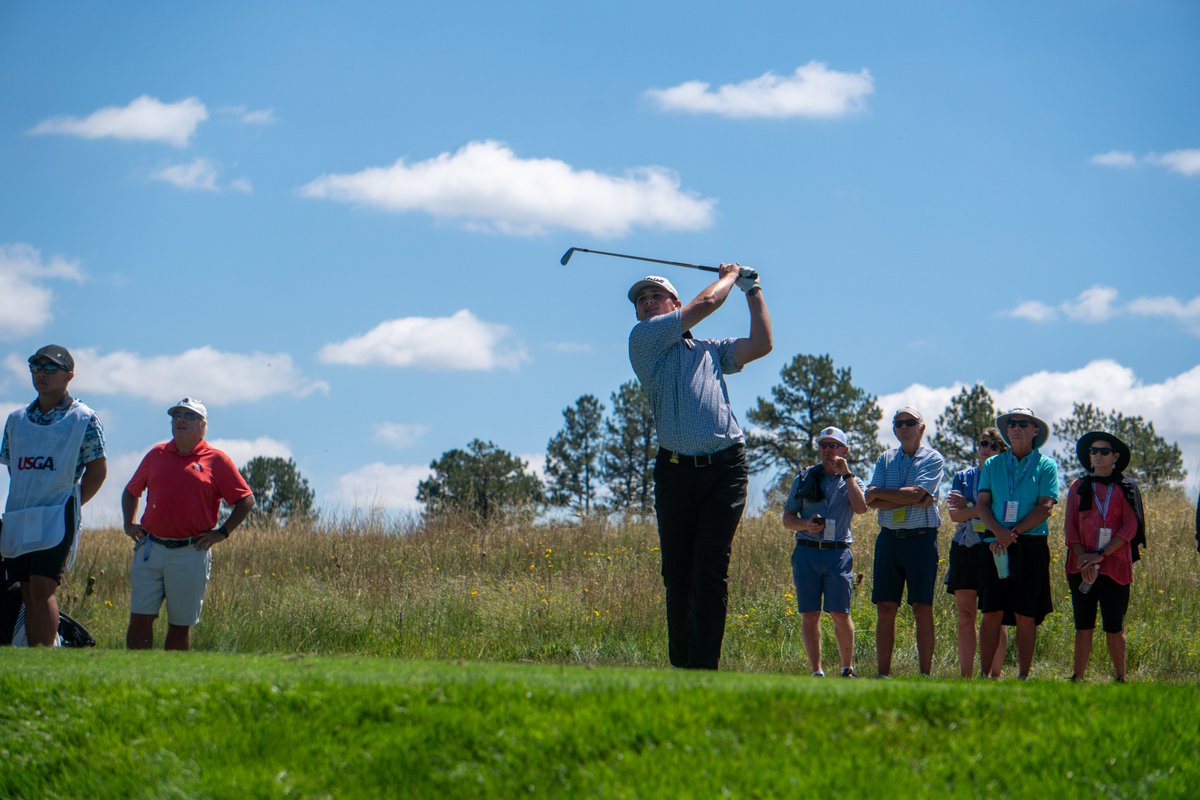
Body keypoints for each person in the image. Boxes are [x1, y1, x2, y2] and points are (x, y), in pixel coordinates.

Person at [628, 264, 772, 669]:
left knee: (710, 570)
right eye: (641, 300)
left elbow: (761, 344)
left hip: (725, 470)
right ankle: (682, 665)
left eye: (655, 296)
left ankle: (705, 668)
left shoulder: (709, 349)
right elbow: (708, 301)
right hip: (675, 472)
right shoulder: (645, 340)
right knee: (677, 572)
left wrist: (753, 289)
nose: (647, 303)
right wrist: (730, 275)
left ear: (674, 303)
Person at [122, 398, 255, 651]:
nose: (180, 420)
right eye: (176, 415)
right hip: (151, 547)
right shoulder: (157, 454)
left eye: (188, 416)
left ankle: (172, 682)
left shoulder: (216, 460)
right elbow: (131, 491)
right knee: (140, 617)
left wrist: (222, 533)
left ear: (202, 426)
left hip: (191, 551)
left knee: (180, 624)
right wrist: (129, 524)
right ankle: (136, 677)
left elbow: (245, 500)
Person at [0, 344, 107, 646]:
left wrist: (69, 504)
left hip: (57, 515)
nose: (41, 375)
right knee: (26, 589)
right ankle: (34, 653)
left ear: (69, 375)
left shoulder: (82, 418)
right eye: (36, 368)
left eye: (50, 369)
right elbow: (15, 469)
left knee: (43, 586)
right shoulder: (16, 419)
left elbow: (98, 471)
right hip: (21, 513)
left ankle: (45, 653)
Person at [976, 407, 1059, 680]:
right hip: (995, 545)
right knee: (991, 611)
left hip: (1031, 545)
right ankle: (984, 676)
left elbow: (1045, 507)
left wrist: (1013, 533)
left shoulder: (1046, 465)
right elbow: (983, 504)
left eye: (1024, 423)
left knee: (1026, 612)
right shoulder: (992, 464)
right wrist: (1000, 532)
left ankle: (1023, 676)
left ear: (1035, 430)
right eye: (1011, 423)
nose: (1016, 427)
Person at [781, 426, 868, 677]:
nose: (828, 451)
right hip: (807, 552)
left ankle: (847, 668)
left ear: (845, 450)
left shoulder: (853, 479)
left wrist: (847, 475)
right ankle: (816, 671)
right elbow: (787, 517)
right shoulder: (805, 477)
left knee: (840, 612)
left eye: (834, 446)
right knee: (809, 613)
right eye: (824, 445)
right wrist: (805, 525)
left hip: (837, 554)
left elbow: (861, 508)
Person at [865, 407, 944, 677]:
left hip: (921, 540)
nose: (904, 428)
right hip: (888, 540)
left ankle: (924, 674)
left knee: (922, 606)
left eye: (910, 423)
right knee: (886, 606)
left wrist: (882, 494)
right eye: (899, 424)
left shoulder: (933, 459)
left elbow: (910, 495)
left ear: (922, 428)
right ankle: (883, 674)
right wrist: (909, 497)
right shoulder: (885, 459)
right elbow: (869, 500)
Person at [1064, 431, 1143, 682]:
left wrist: (1099, 555)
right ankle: (1078, 677)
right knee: (1083, 624)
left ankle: (1120, 677)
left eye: (1104, 451)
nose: (1098, 456)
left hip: (1115, 567)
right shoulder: (1078, 487)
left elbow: (1130, 528)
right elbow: (1070, 528)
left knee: (1114, 625)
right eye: (1094, 451)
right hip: (1081, 567)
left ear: (1115, 456)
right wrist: (1084, 559)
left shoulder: (1127, 487)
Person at [945, 427, 1010, 678]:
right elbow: (954, 515)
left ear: (1002, 451)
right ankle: (966, 675)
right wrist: (980, 509)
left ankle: (994, 674)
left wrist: (970, 507)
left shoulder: (1005, 478)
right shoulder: (963, 476)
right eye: (984, 443)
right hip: (965, 548)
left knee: (995, 613)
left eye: (995, 446)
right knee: (965, 614)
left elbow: (1004, 514)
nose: (987, 449)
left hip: (995, 547)